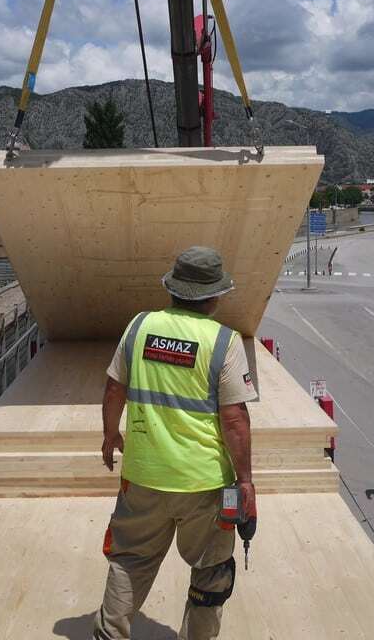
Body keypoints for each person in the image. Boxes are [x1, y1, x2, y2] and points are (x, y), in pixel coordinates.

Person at [93, 246, 258, 640]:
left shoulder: (140, 326)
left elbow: (115, 387)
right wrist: (246, 480)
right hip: (203, 483)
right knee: (210, 573)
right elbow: (234, 419)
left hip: (143, 476)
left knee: (128, 562)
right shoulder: (224, 342)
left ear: (173, 288)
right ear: (214, 296)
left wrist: (110, 434)